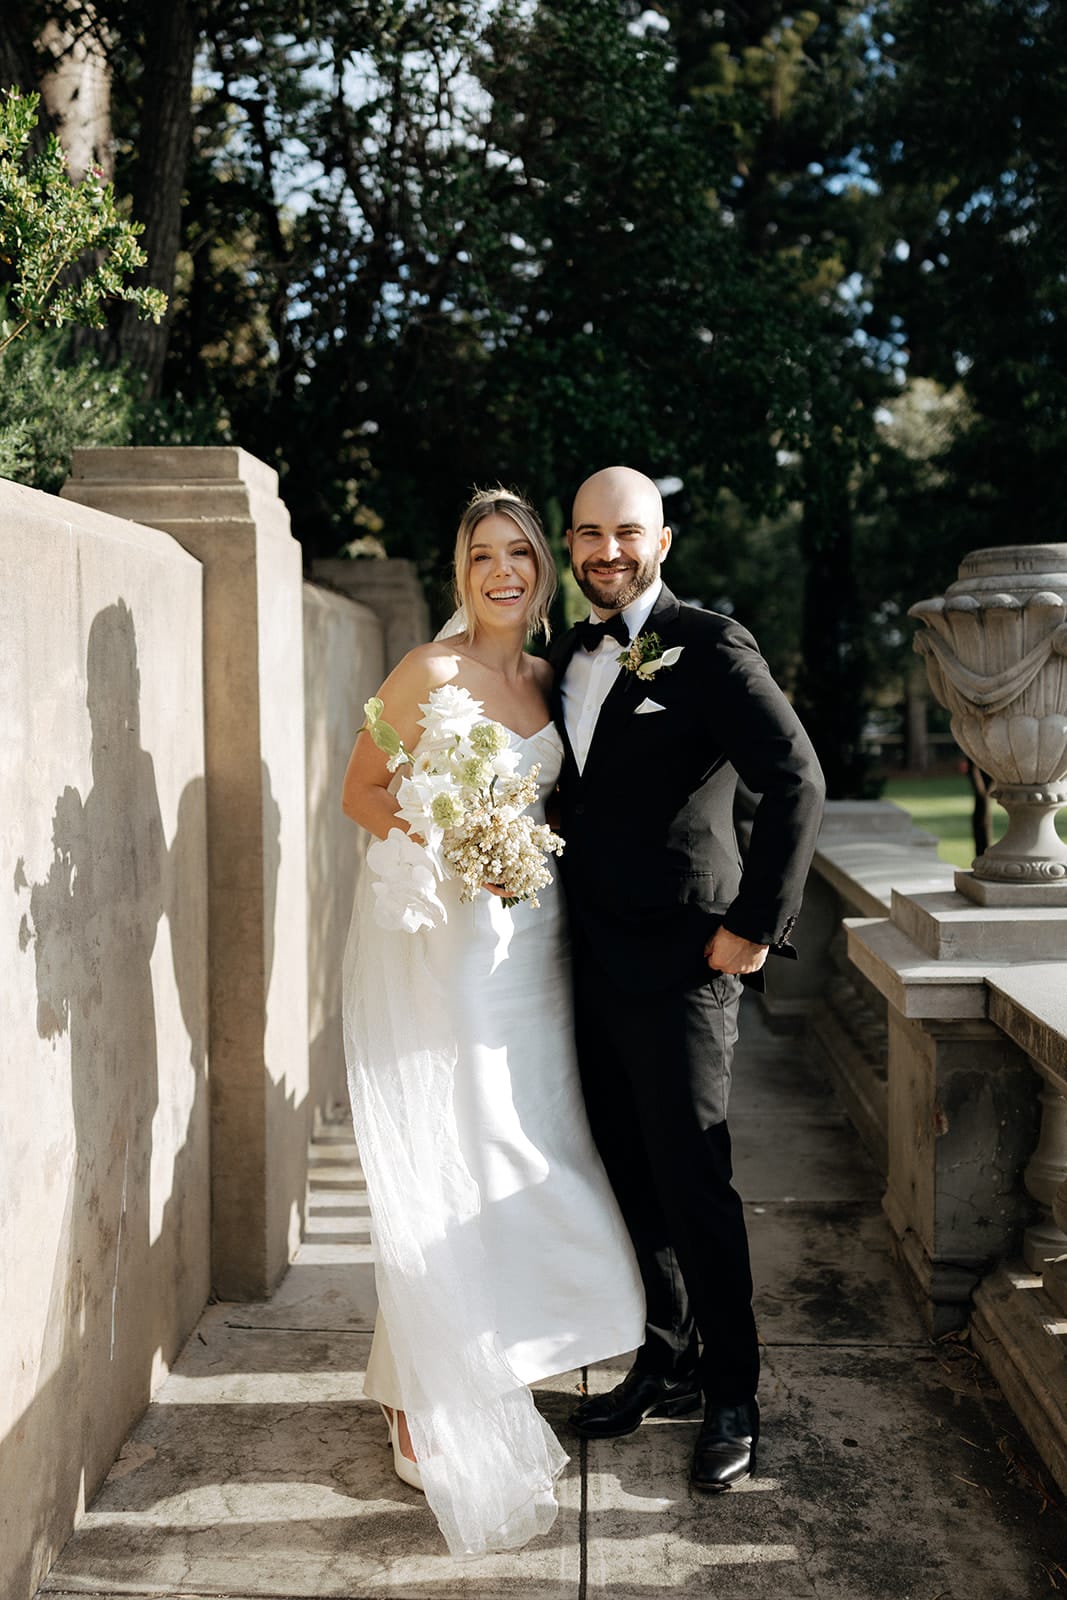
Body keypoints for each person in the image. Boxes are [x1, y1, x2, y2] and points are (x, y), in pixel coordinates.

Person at [340, 488, 645, 1557]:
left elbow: (567, 806)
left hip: (539, 944)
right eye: (482, 554)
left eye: (519, 552)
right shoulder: (427, 671)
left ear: (542, 569)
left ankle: (452, 1357)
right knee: (463, 1152)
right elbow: (360, 788)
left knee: (536, 1142)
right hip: (461, 951)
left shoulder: (551, 678)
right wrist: (445, 835)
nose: (502, 570)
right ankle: (425, 1391)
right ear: (460, 571)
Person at [550, 465, 825, 1492]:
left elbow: (795, 778)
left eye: (627, 532)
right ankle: (665, 1360)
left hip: (683, 961)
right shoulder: (562, 655)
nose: (606, 550)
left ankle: (733, 1392)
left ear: (660, 543)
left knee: (694, 1179)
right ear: (570, 543)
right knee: (628, 1170)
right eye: (588, 532)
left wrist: (752, 929)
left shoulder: (709, 645)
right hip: (584, 959)